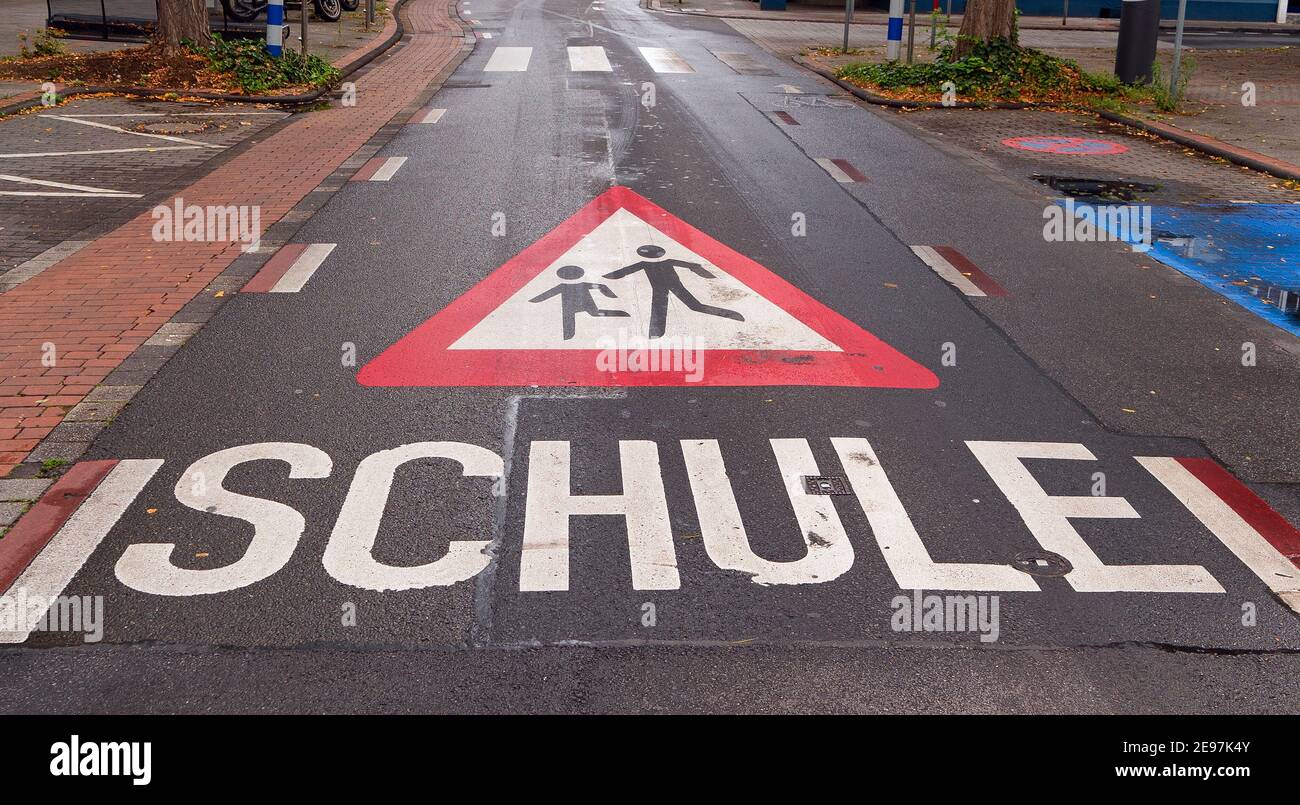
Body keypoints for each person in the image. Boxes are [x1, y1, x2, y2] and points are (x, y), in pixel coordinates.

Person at [604, 245, 744, 339]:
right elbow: (691, 265)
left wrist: (610, 275)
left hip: (667, 286)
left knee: (685, 306)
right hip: (667, 286)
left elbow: (624, 272)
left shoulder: (647, 263)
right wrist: (701, 272)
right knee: (689, 305)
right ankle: (655, 334)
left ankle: (655, 334)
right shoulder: (660, 262)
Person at [528, 265, 629, 340]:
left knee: (569, 317)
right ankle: (568, 336)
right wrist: (609, 294)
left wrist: (536, 300)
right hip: (582, 301)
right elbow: (600, 286)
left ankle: (568, 336)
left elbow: (548, 294)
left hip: (571, 303)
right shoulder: (581, 284)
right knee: (593, 313)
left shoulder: (563, 286)